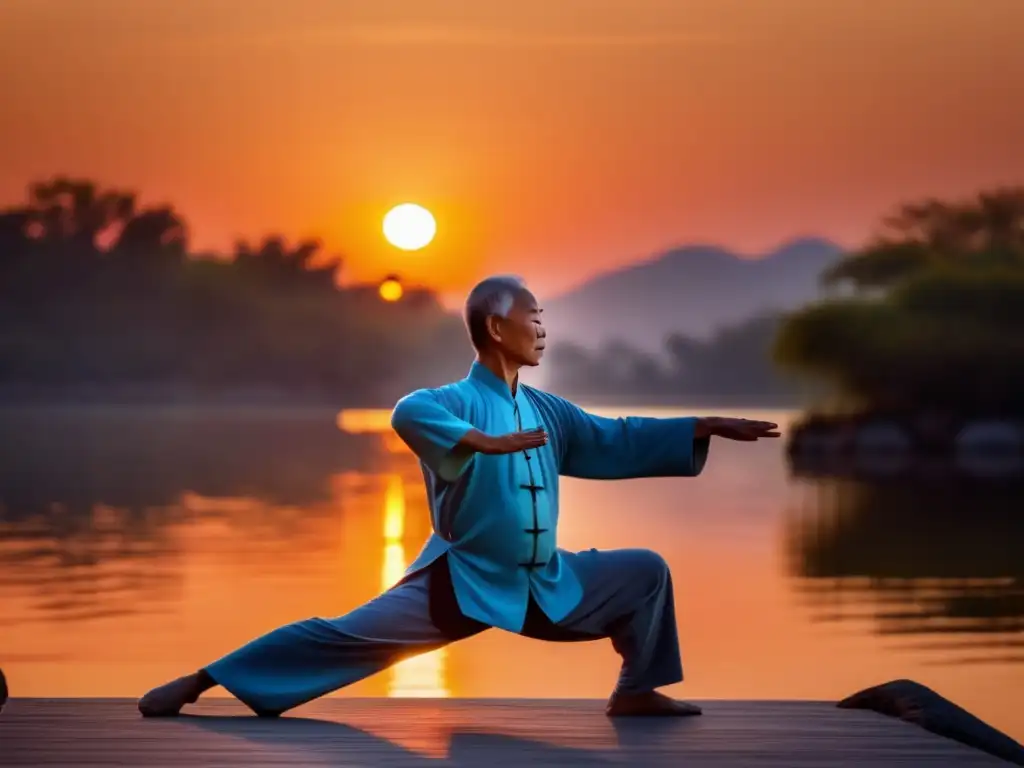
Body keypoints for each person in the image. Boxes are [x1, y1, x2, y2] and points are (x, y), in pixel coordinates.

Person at [138, 275, 779, 718]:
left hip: (542, 585)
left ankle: (637, 691)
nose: (542, 330)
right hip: (462, 581)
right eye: (533, 318)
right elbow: (405, 413)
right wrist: (479, 441)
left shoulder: (546, 409)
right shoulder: (446, 401)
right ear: (498, 328)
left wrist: (701, 426)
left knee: (644, 572)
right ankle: (203, 680)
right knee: (341, 637)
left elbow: (612, 438)